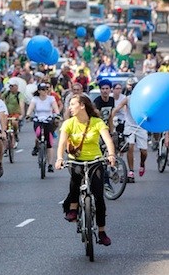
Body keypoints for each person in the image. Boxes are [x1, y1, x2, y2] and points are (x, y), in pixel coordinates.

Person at [55, 94, 116, 247]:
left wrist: (111, 155)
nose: (69, 107)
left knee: (99, 197)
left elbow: (107, 140)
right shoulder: (68, 123)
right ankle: (74, 208)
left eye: (73, 104)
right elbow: (62, 144)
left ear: (82, 105)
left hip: (95, 160)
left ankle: (102, 232)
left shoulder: (97, 122)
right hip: (76, 160)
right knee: (75, 177)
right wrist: (59, 158)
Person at [111, 77, 148, 183]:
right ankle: (131, 171)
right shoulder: (128, 99)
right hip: (129, 126)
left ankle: (142, 164)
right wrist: (111, 119)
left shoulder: (145, 99)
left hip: (141, 126)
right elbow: (116, 108)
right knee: (130, 147)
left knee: (144, 152)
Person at [26, 82, 60, 172]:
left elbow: (55, 108)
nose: (45, 91)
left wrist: (57, 114)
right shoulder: (35, 99)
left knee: (49, 143)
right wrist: (28, 114)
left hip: (48, 120)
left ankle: (50, 164)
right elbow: (31, 108)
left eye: (46, 89)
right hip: (38, 120)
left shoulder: (51, 98)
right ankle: (37, 147)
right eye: (43, 89)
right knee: (37, 134)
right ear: (39, 91)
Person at [1, 78, 25, 146]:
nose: (10, 88)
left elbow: (21, 104)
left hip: (15, 114)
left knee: (14, 122)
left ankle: (16, 134)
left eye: (12, 86)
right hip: (7, 114)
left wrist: (22, 115)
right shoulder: (7, 93)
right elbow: (0, 99)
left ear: (16, 86)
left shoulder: (19, 95)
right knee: (4, 126)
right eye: (9, 86)